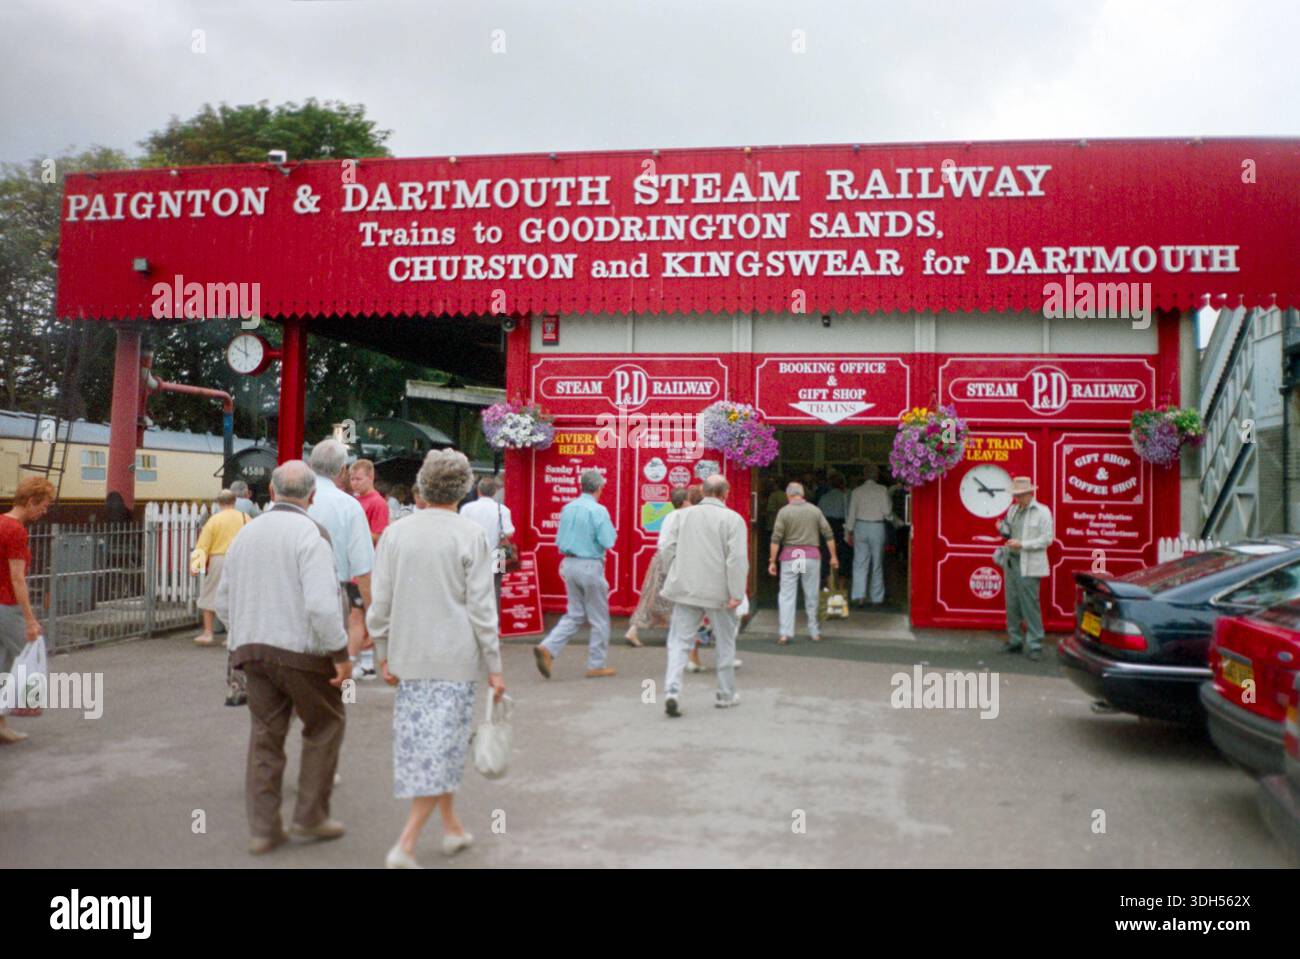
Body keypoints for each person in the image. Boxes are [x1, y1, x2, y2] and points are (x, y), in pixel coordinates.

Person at [367, 449, 505, 868]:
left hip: (409, 657)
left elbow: (380, 604)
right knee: (440, 749)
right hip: (455, 660)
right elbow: (482, 610)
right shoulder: (470, 535)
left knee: (431, 747)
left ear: (423, 485)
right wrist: (496, 667)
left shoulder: (395, 533)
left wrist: (382, 652)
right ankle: (404, 845)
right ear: (464, 488)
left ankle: (452, 829)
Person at [214, 460, 351, 855]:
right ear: (312, 496)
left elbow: (223, 601)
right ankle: (310, 817)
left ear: (271, 493)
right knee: (325, 724)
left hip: (252, 650)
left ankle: (263, 829)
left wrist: (246, 628)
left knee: (265, 737)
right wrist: (340, 654)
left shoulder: (245, 534)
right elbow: (323, 608)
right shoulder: (312, 535)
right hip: (303, 653)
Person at [658, 473, 748, 717]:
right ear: (725, 493)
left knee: (679, 641)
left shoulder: (682, 516)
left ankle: (672, 691)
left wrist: (673, 572)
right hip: (719, 592)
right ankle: (725, 694)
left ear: (703, 491)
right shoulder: (733, 519)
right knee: (725, 643)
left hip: (686, 588)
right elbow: (737, 559)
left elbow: (665, 547)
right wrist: (737, 592)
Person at [534, 469, 617, 680]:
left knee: (575, 613)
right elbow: (609, 541)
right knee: (599, 618)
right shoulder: (598, 511)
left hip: (569, 563)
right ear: (599, 488)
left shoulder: (568, 508)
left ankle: (548, 647)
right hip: (590, 564)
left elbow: (559, 538)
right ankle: (596, 664)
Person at [307, 439, 375, 675]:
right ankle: (345, 693)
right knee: (334, 670)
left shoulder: (284, 501)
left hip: (288, 594)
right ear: (343, 470)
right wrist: (373, 618)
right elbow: (364, 569)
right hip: (333, 594)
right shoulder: (349, 506)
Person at [0, 477, 54, 745]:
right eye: (43, 506)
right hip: (7, 607)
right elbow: (17, 578)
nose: (43, 512)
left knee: (4, 663)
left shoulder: (0, 522)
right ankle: (19, 708)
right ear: (31, 501)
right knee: (29, 657)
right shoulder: (16, 531)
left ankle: (0, 725)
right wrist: (31, 620)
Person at [769, 482, 838, 646]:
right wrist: (833, 556)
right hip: (810, 556)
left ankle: (785, 634)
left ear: (788, 495)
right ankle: (814, 631)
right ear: (803, 494)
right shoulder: (814, 510)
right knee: (811, 593)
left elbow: (775, 539)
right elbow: (828, 534)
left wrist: (772, 561)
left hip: (791, 557)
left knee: (787, 595)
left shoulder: (784, 512)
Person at [624, 485, 692, 647]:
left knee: (651, 596)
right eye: (689, 499)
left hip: (659, 558)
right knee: (676, 597)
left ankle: (634, 630)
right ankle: (678, 635)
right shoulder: (683, 516)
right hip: (672, 560)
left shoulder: (670, 516)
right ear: (684, 502)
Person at [996, 476, 1055, 661]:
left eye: (1021, 495)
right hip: (1012, 562)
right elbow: (1007, 531)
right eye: (1015, 495)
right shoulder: (1013, 509)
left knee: (1030, 605)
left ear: (1031, 493)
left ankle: (1035, 644)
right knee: (1012, 604)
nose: (1017, 498)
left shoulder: (1042, 511)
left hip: (1029, 563)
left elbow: (1047, 539)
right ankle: (1015, 641)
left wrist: (1023, 544)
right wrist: (1001, 528)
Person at [191, 489, 249, 647]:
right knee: (236, 596)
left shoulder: (214, 520)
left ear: (218, 502)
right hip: (240, 559)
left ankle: (208, 632)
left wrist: (195, 566)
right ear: (234, 501)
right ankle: (233, 634)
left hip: (219, 559)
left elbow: (203, 545)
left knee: (209, 594)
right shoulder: (245, 518)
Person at [846, 464, 898, 609]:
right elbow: (887, 511)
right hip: (877, 527)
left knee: (859, 563)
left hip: (860, 526)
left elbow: (851, 514)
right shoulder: (882, 490)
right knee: (877, 564)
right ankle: (876, 598)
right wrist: (889, 518)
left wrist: (849, 531)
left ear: (864, 475)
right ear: (876, 476)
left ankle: (859, 596)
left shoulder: (856, 491)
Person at [459, 475, 515, 587]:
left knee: (470, 587)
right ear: (495, 492)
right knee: (495, 588)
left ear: (478, 490)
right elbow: (509, 533)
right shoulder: (503, 510)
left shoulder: (467, 508)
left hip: (472, 555)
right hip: (497, 556)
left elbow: (460, 531)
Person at [816, 472, 850, 584]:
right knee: (843, 558)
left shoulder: (824, 498)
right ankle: (841, 589)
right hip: (841, 527)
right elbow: (849, 514)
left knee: (827, 557)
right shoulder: (845, 497)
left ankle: (829, 587)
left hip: (826, 527)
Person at [350, 459, 390, 545]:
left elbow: (379, 537)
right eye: (352, 479)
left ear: (371, 477)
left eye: (359, 479)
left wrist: (352, 534)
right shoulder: (353, 499)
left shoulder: (378, 503)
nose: (355, 483)